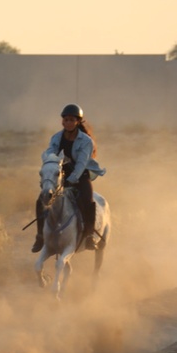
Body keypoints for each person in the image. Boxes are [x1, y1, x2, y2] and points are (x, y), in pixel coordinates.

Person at [32, 104, 106, 253]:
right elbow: (51, 154)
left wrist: (73, 178)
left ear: (78, 121)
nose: (68, 123)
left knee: (87, 199)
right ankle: (40, 236)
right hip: (60, 175)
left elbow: (81, 163)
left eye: (71, 120)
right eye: (66, 120)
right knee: (41, 199)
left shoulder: (86, 141)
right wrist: (48, 165)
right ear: (62, 121)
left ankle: (90, 235)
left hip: (81, 175)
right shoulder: (56, 138)